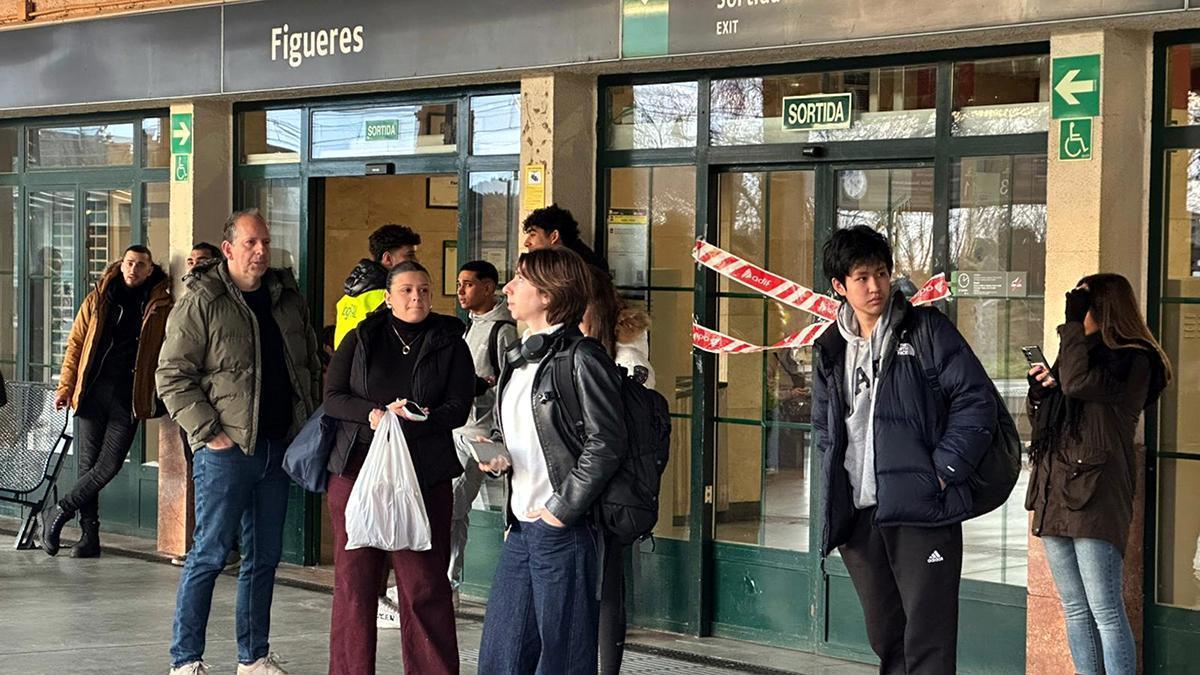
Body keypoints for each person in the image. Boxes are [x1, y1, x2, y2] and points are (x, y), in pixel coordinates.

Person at [811, 225, 997, 674]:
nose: (875, 286)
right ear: (840, 286)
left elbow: (977, 401)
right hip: (861, 513)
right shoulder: (830, 348)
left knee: (927, 640)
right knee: (886, 636)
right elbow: (824, 430)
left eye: (881, 273)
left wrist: (941, 471)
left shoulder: (927, 330)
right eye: (861, 277)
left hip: (922, 510)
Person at [157, 209, 322, 675]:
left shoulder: (287, 297)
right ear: (227, 249)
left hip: (278, 447)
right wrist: (210, 433)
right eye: (251, 243)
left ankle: (253, 657)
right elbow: (171, 376)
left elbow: (307, 363)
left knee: (264, 559)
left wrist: (305, 429)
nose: (261, 252)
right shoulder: (201, 300)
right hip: (226, 452)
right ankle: (186, 659)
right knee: (208, 554)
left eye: (265, 243)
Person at [477, 246, 627, 674]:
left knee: (562, 659)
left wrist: (560, 511)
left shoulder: (582, 358)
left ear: (547, 295)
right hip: (522, 527)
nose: (507, 287)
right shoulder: (518, 358)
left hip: (564, 529)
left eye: (519, 280)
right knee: (500, 656)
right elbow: (531, 433)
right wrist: (498, 451)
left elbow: (606, 444)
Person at [323, 260, 474, 674]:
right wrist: (374, 414)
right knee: (355, 585)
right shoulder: (362, 338)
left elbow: (459, 407)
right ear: (388, 297)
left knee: (424, 584)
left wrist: (421, 418)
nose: (416, 298)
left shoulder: (449, 342)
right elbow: (333, 396)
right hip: (358, 471)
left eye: (424, 290)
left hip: (424, 476)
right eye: (406, 290)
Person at [1026, 274, 1170, 675]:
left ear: (1104, 309)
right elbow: (1052, 411)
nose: (1073, 312)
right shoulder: (1078, 353)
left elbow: (1076, 385)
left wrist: (1071, 330)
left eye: (1080, 304)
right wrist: (1039, 393)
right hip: (1055, 490)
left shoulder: (1133, 360)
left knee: (1105, 609)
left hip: (1097, 494)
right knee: (1074, 607)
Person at [39, 245, 174, 558]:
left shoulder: (160, 305)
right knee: (88, 466)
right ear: (121, 264)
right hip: (92, 392)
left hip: (129, 398)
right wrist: (65, 387)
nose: (133, 269)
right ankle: (89, 538)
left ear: (150, 269)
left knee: (109, 465)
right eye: (129, 263)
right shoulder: (100, 297)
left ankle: (57, 511)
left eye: (141, 265)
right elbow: (75, 344)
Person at [448, 260, 517, 604]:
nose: (461, 290)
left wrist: (496, 435)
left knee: (449, 507)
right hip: (456, 430)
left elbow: (508, 385)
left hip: (479, 436)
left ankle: (446, 585)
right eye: (459, 283)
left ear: (489, 287)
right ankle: (449, 583)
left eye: (468, 284)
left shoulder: (502, 331)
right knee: (453, 512)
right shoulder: (467, 326)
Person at [171, 241, 240, 570]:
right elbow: (173, 372)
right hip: (205, 424)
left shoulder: (229, 301)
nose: (194, 266)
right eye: (190, 261)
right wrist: (209, 431)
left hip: (244, 431)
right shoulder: (192, 302)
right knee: (206, 488)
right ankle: (211, 546)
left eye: (202, 261)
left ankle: (227, 546)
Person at [333, 223, 420, 348]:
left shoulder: (350, 296)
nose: (416, 261)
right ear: (388, 259)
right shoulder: (390, 297)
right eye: (410, 255)